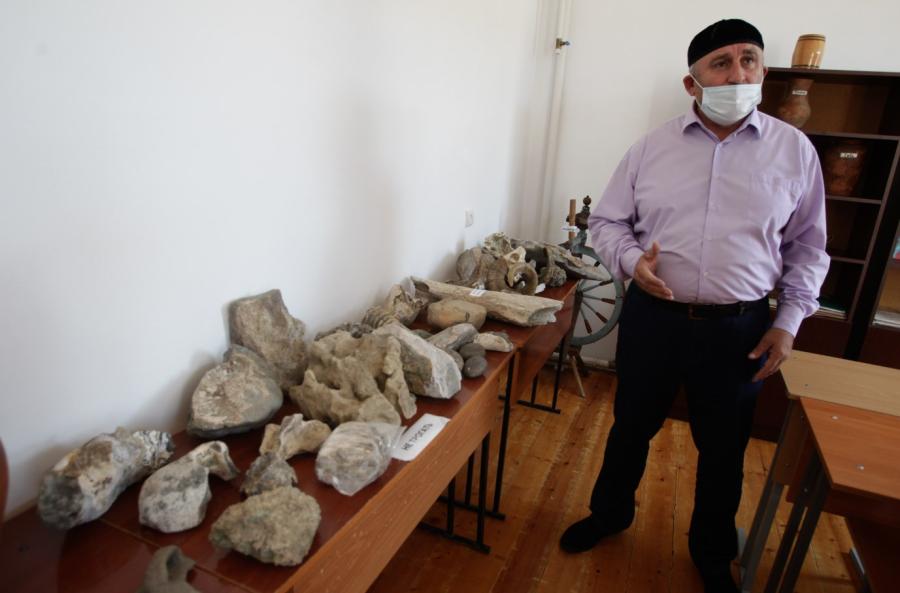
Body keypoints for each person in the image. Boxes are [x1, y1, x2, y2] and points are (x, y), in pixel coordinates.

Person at [559, 19, 829, 593]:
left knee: (724, 448)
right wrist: (632, 262)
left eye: (749, 60)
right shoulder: (650, 149)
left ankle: (711, 551)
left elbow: (808, 247)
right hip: (654, 320)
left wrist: (788, 322)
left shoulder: (794, 152)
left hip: (740, 330)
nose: (738, 74)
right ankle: (609, 514)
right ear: (692, 83)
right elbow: (607, 222)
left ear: (763, 69)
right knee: (630, 427)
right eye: (721, 64)